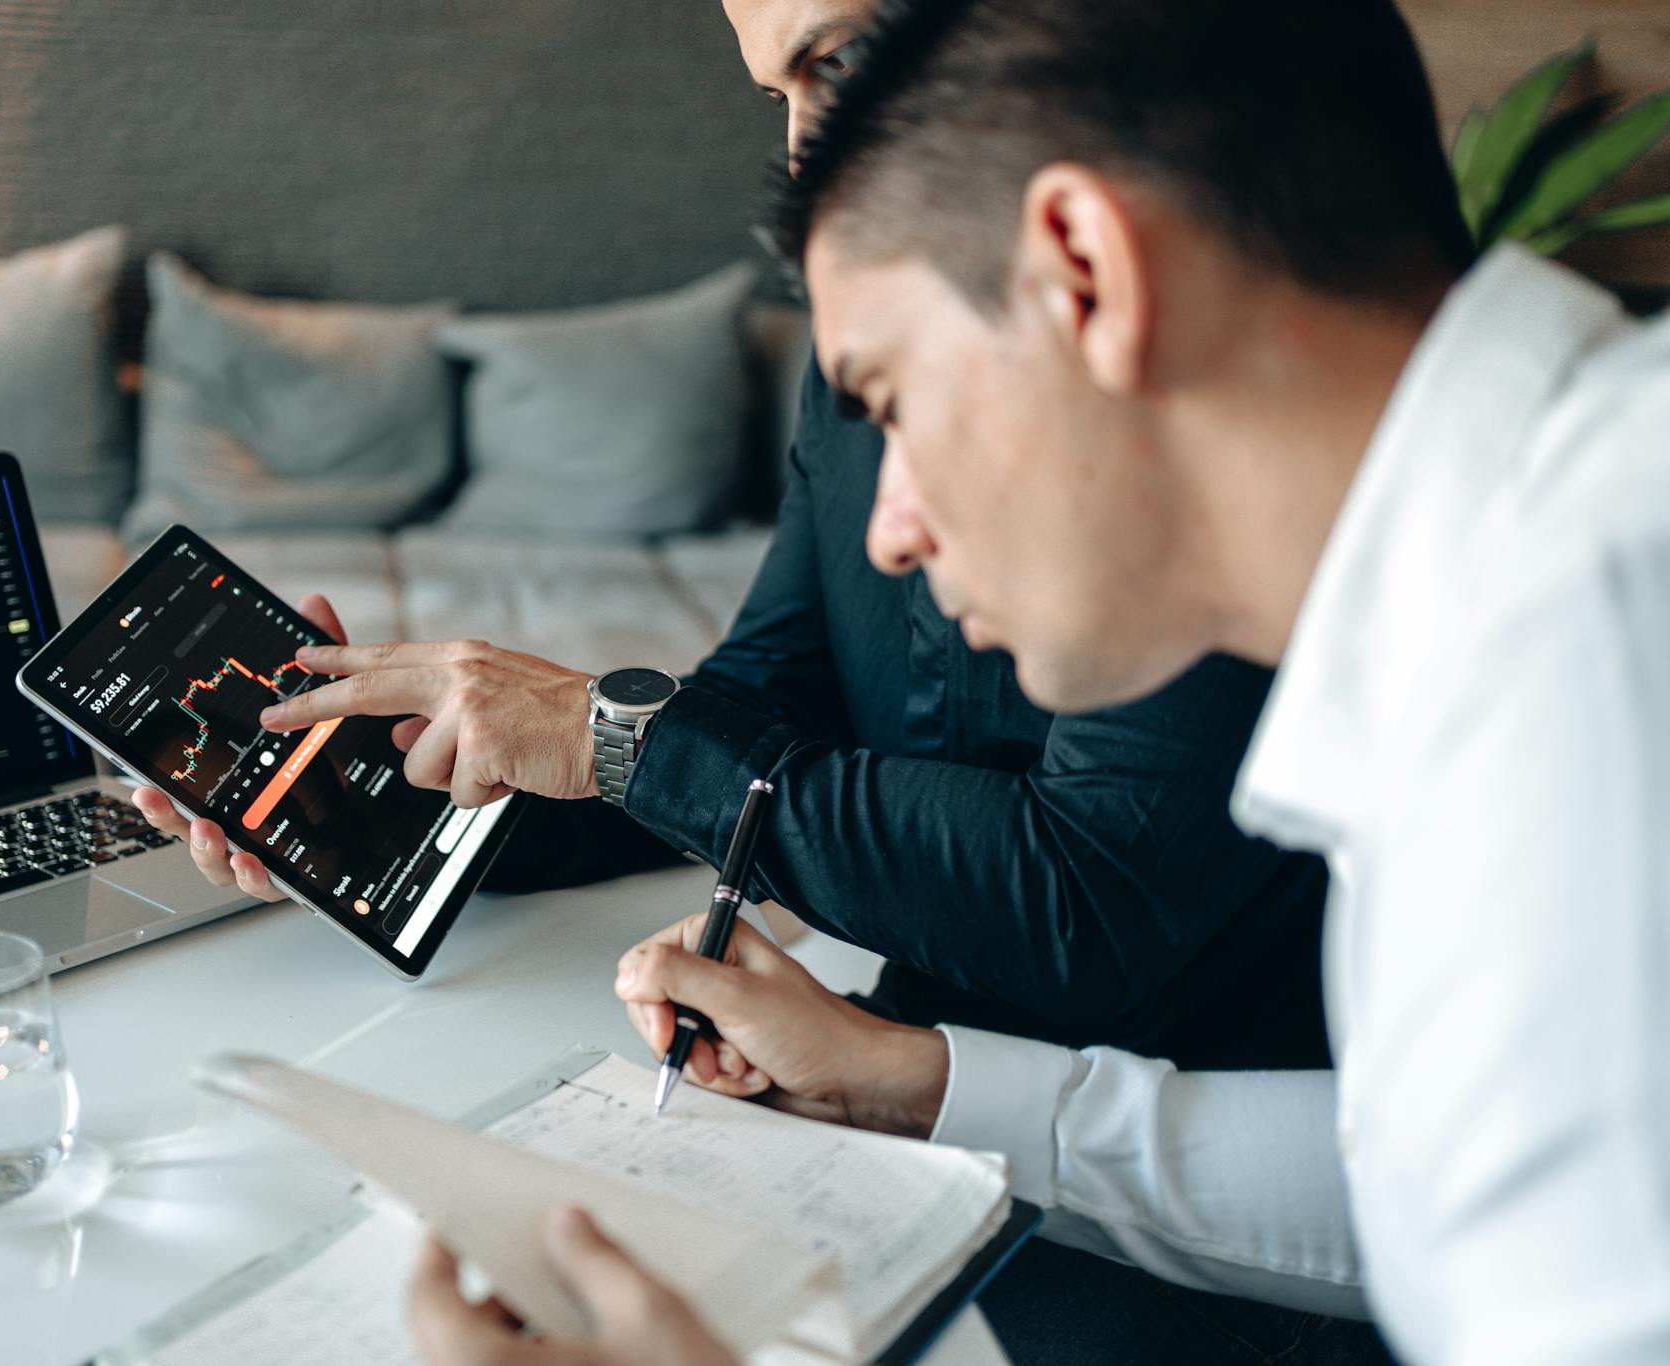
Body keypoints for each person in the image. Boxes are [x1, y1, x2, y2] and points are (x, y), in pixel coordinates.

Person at [405, 0, 1670, 1361]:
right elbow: (1424, 1175)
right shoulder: (1522, 565)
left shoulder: (1588, 655)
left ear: (1083, 268)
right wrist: (927, 1084)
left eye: (892, 396)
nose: (887, 529)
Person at [136, 0, 1333, 1076]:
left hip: (1144, 1175)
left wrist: (615, 734)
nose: (805, 167)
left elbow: (1097, 906)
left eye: (842, 57)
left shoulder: (1201, 397)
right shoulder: (843, 370)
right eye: (778, 94)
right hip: (888, 1066)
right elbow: (763, 706)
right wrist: (403, 791)